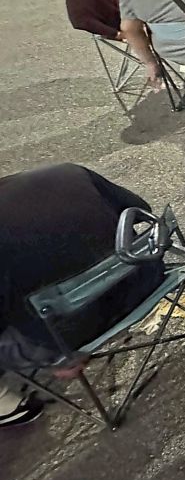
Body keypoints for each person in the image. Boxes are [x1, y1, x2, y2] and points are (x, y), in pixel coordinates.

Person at [0, 164, 164, 428]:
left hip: (70, 334)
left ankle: (6, 403)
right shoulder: (65, 172)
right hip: (147, 280)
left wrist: (51, 357)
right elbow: (139, 208)